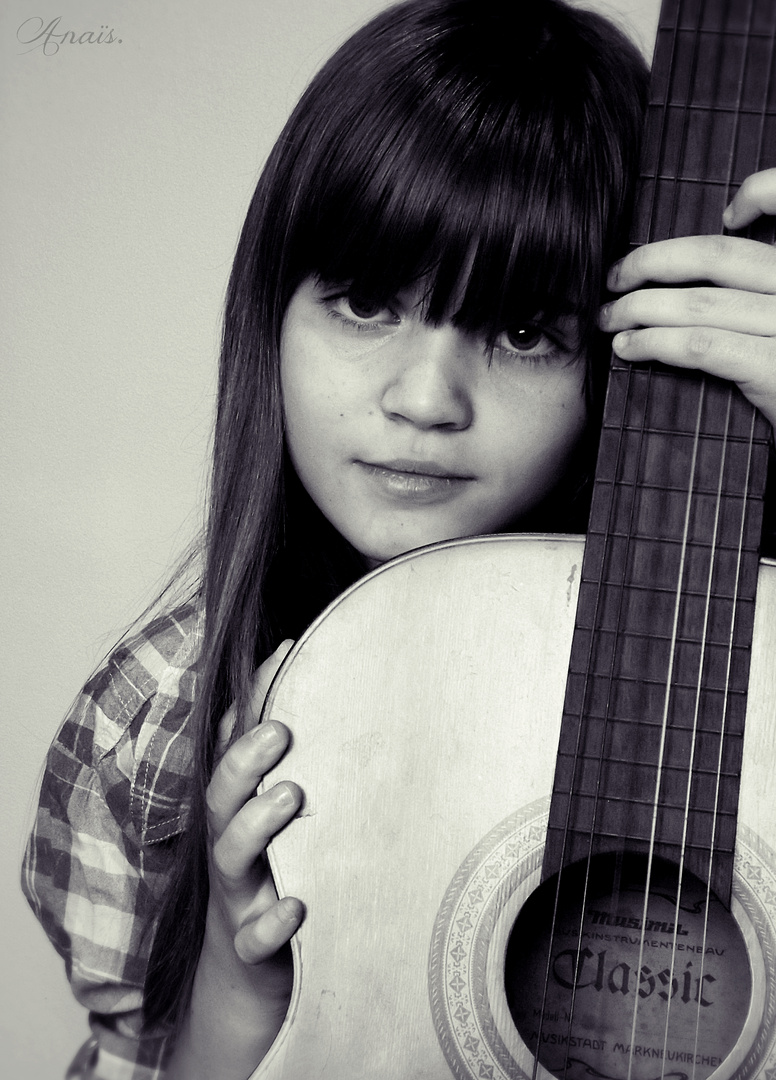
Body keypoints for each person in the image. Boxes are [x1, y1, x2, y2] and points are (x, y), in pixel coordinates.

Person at [21, 0, 776, 1077]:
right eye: (367, 303)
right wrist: (239, 994)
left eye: (521, 331)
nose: (424, 400)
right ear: (271, 308)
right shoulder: (150, 729)